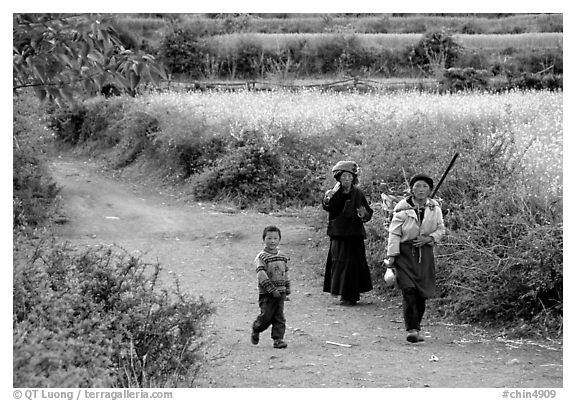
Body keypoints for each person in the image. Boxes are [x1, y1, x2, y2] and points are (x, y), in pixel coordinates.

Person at [386, 173, 445, 343]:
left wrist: (428, 238)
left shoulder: (435, 208)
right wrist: (391, 256)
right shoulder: (402, 209)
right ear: (411, 189)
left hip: (424, 255)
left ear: (430, 190)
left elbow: (441, 229)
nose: (421, 190)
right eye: (417, 186)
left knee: (421, 293)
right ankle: (412, 329)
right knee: (409, 290)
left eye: (425, 187)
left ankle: (416, 326)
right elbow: (394, 233)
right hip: (404, 254)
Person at [322, 160, 374, 305]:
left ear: (353, 178)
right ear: (338, 178)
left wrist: (363, 214)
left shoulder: (358, 193)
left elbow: (368, 212)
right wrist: (327, 199)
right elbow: (327, 207)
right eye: (344, 176)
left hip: (354, 234)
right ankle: (342, 294)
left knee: (354, 265)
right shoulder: (333, 193)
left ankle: (352, 295)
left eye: (350, 176)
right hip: (338, 234)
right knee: (340, 264)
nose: (347, 179)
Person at [251, 225, 291, 349]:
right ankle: (256, 328)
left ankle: (278, 339)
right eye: (269, 238)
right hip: (267, 294)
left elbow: (286, 273)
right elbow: (261, 275)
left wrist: (287, 287)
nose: (272, 241)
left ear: (279, 239)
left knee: (279, 316)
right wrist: (271, 289)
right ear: (264, 239)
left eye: (275, 238)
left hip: (281, 292)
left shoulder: (283, 256)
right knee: (266, 316)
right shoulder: (261, 257)